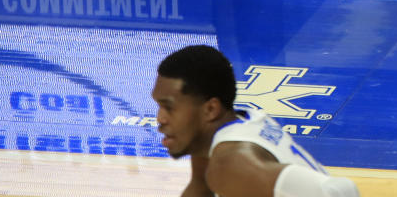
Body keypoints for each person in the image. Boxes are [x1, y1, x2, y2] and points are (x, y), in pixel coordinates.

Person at [151, 45, 359, 197]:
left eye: (169, 107)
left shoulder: (231, 163)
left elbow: (341, 191)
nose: (160, 119)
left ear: (210, 109)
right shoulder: (221, 131)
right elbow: (200, 187)